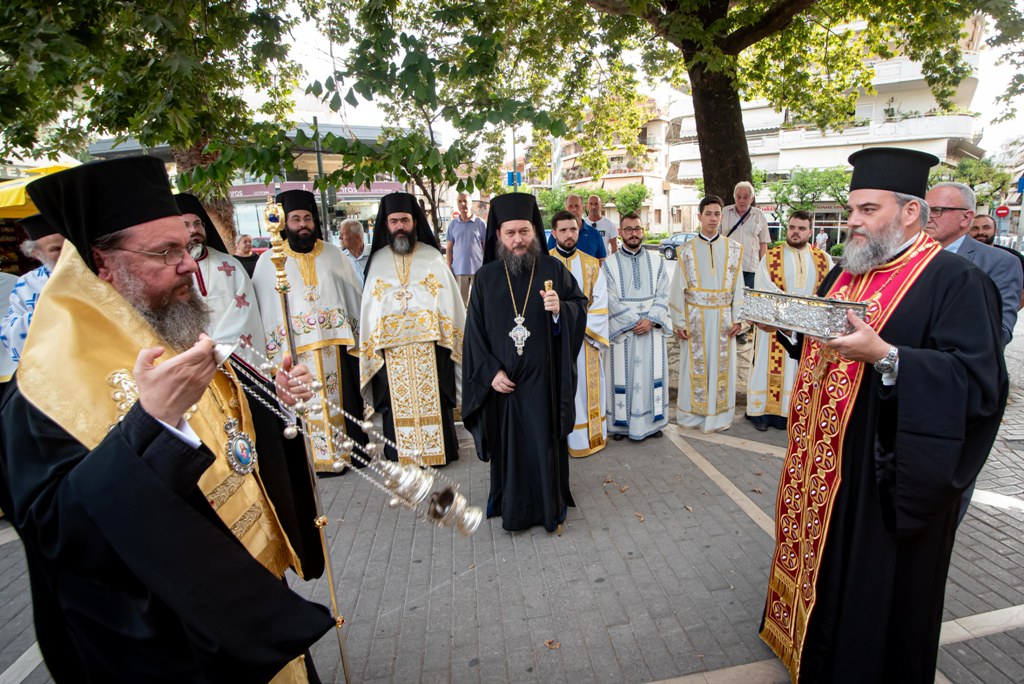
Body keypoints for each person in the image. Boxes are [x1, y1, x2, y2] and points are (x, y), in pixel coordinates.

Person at [4, 156, 334, 681]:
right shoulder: (43, 390)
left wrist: (270, 402)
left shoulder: (165, 323)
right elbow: (59, 534)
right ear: (101, 262)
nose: (190, 266)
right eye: (166, 252)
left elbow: (226, 432)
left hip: (248, 601)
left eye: (187, 247)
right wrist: (151, 422)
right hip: (175, 646)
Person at [759, 147, 1007, 683]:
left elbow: (977, 385)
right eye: (853, 209)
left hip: (882, 472)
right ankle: (811, 649)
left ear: (911, 211)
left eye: (867, 210)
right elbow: (822, 344)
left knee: (869, 594)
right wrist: (782, 324)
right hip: (821, 467)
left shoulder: (956, 281)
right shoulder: (846, 274)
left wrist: (888, 357)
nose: (852, 221)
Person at [462, 192, 588, 533]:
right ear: (498, 235)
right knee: (511, 450)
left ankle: (549, 506)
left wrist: (561, 310)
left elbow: (579, 305)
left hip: (543, 384)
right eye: (510, 233)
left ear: (534, 232)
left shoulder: (552, 269)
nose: (518, 240)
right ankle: (512, 507)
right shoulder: (486, 278)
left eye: (524, 232)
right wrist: (490, 372)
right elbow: (473, 335)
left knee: (543, 446)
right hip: (504, 386)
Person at [251, 189, 366, 472]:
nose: (303, 224)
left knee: (342, 402)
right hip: (294, 354)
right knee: (303, 405)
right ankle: (313, 462)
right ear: (284, 223)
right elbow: (265, 308)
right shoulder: (269, 261)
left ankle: (347, 455)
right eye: (295, 219)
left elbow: (353, 296)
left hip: (335, 347)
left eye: (307, 218)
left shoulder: (333, 254)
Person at [358, 192, 466, 466]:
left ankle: (440, 450)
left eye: (405, 220)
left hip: (432, 349)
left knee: (437, 399)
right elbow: (371, 310)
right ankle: (401, 452)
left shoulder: (432, 257)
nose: (400, 226)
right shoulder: (378, 262)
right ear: (386, 224)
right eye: (394, 221)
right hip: (392, 354)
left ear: (415, 222)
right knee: (395, 405)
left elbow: (450, 304)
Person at [744, 210, 832, 431]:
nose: (795, 232)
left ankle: (794, 412)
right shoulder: (771, 257)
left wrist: (804, 317)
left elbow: (829, 293)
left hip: (808, 331)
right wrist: (789, 317)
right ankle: (762, 412)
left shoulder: (824, 260)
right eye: (792, 227)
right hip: (775, 328)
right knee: (765, 365)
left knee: (801, 370)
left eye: (801, 228)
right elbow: (764, 288)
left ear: (810, 232)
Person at [668, 195, 744, 433]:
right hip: (695, 319)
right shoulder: (685, 251)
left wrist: (738, 318)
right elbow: (677, 287)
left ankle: (718, 416)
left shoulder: (734, 249)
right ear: (699, 216)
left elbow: (739, 287)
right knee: (694, 368)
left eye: (717, 214)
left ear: (722, 217)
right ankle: (692, 416)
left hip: (724, 320)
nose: (713, 218)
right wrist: (679, 321)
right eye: (708, 214)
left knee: (721, 368)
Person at [175, 193, 266, 374]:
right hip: (189, 356)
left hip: (234, 354)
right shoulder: (170, 269)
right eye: (186, 225)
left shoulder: (229, 264)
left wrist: (220, 345)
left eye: (198, 224)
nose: (194, 230)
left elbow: (246, 309)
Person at [924, 182, 1021, 346]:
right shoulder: (908, 255)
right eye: (925, 211)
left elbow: (1000, 332)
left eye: (937, 210)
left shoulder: (1000, 262)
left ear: (966, 217)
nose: (927, 218)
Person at [603, 212, 672, 441]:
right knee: (623, 376)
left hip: (651, 330)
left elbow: (664, 292)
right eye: (628, 229)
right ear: (620, 232)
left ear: (643, 231)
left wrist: (651, 320)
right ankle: (620, 426)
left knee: (650, 376)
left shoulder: (657, 261)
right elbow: (609, 297)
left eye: (637, 229)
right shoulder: (609, 264)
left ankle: (652, 422)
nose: (633, 233)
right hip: (625, 331)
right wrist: (633, 321)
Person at [549, 209, 609, 456]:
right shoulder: (543, 263)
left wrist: (576, 326)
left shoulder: (592, 265)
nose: (569, 234)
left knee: (583, 391)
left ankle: (585, 440)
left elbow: (601, 303)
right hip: (552, 341)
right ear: (554, 233)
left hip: (585, 341)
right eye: (563, 230)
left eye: (573, 229)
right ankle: (554, 442)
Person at [1, 214, 65, 367]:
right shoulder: (27, 283)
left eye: (70, 247)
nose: (67, 254)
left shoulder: (99, 272)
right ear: (36, 253)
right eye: (56, 249)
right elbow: (10, 334)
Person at [721, 181, 771, 289]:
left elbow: (763, 243)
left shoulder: (759, 215)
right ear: (734, 198)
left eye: (745, 197)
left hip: (751, 268)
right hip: (728, 267)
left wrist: (763, 267)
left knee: (749, 298)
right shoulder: (724, 213)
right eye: (739, 197)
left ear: (752, 198)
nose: (742, 200)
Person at [971, 213, 1024, 310]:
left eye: (986, 228)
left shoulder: (1012, 257)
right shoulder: (961, 256)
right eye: (975, 228)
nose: (980, 232)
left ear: (995, 231)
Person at [445, 192, 486, 303]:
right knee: (461, 303)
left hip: (478, 270)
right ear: (457, 205)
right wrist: (449, 267)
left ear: (471, 204)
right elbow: (449, 249)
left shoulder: (480, 223)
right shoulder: (453, 225)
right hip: (459, 270)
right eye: (460, 201)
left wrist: (486, 266)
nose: (463, 204)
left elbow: (485, 247)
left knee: (479, 302)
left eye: (465, 201)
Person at [546, 193, 607, 260]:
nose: (574, 209)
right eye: (570, 206)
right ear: (565, 209)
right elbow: (548, 258)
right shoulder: (556, 235)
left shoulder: (595, 234)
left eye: (577, 206)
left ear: (583, 209)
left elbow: (602, 260)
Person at [339, 218, 369, 285]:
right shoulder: (341, 258)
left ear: (356, 237)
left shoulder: (374, 256)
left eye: (343, 234)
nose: (340, 238)